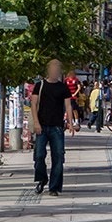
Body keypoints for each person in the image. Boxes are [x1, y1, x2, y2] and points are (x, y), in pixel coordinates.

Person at [30, 59, 74, 196]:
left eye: (57, 69)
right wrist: (36, 123)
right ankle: (42, 179)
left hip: (57, 127)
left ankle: (54, 187)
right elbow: (33, 104)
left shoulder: (63, 88)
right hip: (42, 126)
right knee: (39, 155)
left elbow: (68, 106)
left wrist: (71, 123)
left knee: (59, 157)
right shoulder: (40, 85)